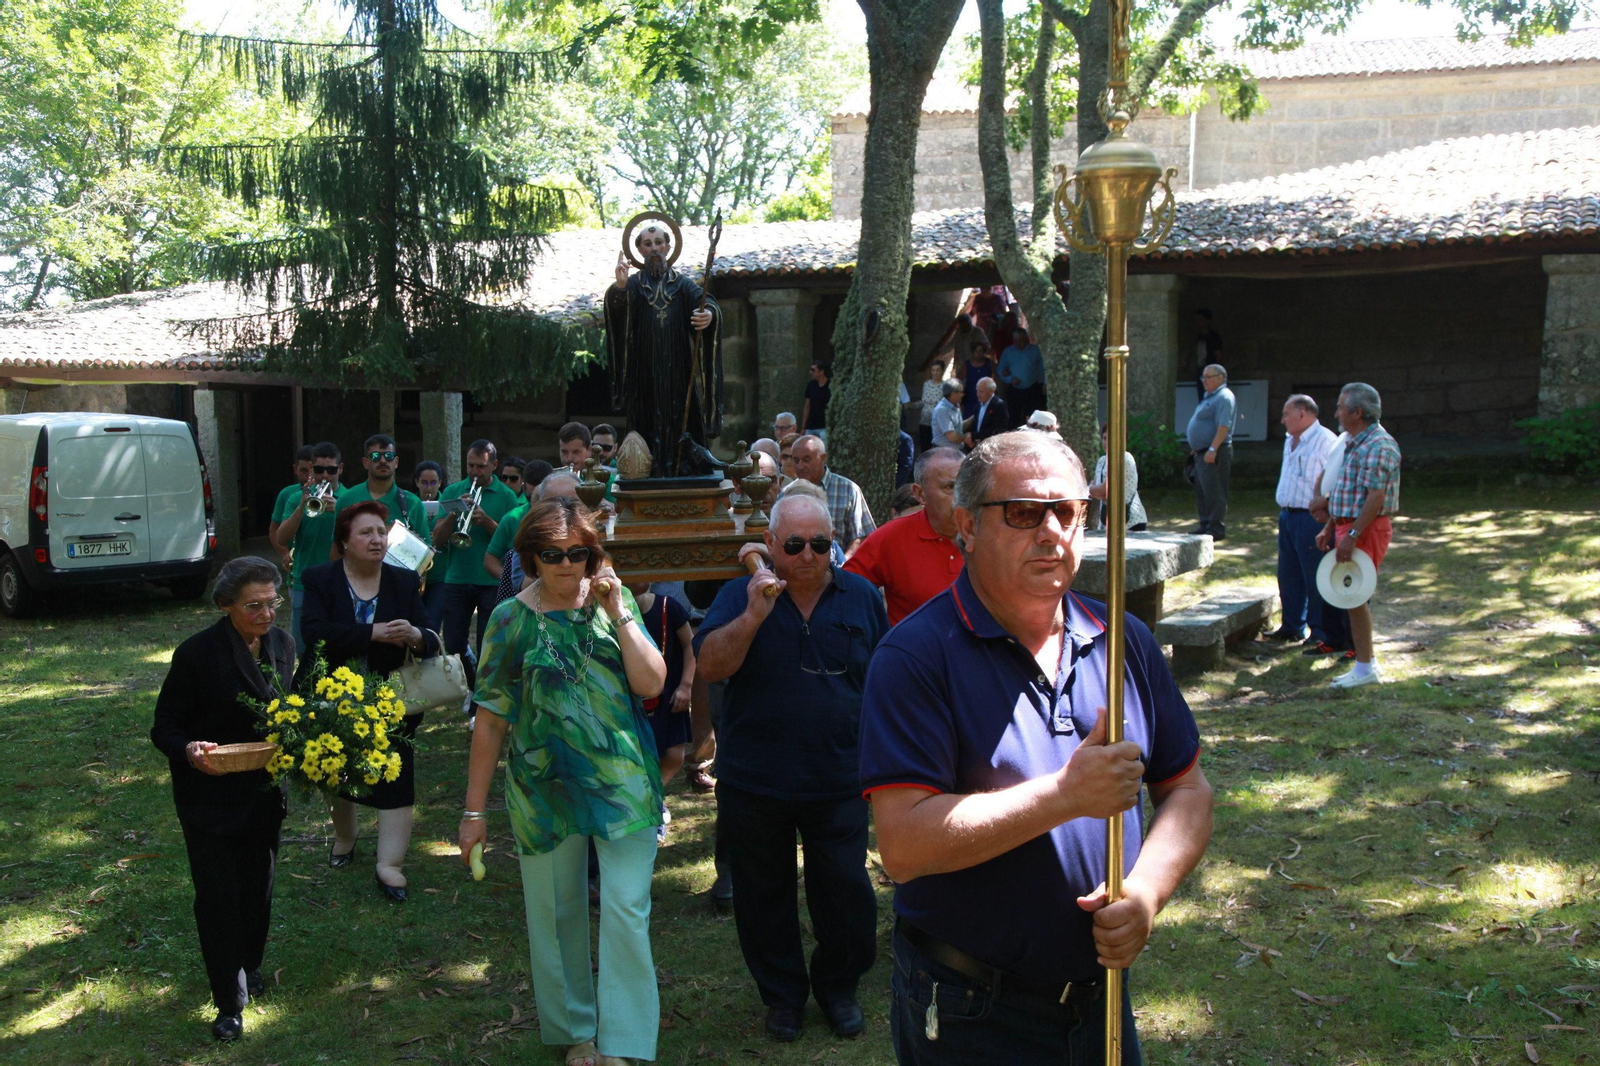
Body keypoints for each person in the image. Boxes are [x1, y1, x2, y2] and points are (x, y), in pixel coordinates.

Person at [859, 431, 1213, 1065]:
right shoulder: (916, 657)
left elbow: (1186, 788)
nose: (1052, 531)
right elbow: (904, 846)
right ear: (965, 525)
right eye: (1024, 512)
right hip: (973, 1009)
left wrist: (1147, 892)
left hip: (1100, 997)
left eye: (1069, 511)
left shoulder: (1120, 640)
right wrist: (1065, 796)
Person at [461, 498, 667, 1066]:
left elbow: (651, 684)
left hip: (622, 783)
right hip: (542, 786)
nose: (566, 565)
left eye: (578, 553)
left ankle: (624, 1042)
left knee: (626, 906)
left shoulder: (613, 602)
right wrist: (473, 812)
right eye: (552, 555)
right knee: (556, 913)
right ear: (529, 557)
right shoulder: (508, 620)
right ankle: (577, 1032)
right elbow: (491, 718)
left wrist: (618, 610)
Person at [694, 494, 888, 1043]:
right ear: (773, 545)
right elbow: (710, 665)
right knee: (762, 896)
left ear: (835, 545)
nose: (809, 556)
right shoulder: (739, 594)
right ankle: (782, 998)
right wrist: (755, 615)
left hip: (840, 777)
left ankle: (839, 988)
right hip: (756, 779)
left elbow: (883, 680)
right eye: (796, 545)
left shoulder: (861, 599)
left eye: (821, 545)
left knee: (846, 892)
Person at [150, 557, 295, 1042]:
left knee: (259, 889)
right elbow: (164, 726)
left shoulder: (282, 644)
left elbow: (288, 710)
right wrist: (189, 749)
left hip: (262, 791)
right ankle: (227, 1003)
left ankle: (248, 965)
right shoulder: (196, 654)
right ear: (224, 605)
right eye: (254, 605)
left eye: (273, 602)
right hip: (208, 798)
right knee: (217, 899)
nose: (267, 614)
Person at [298, 501, 440, 901]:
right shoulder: (319, 579)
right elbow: (314, 634)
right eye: (366, 532)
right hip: (329, 694)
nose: (377, 539)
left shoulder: (403, 580)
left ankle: (389, 865)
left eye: (381, 531)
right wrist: (370, 633)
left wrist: (415, 634)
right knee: (334, 770)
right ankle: (346, 835)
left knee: (396, 773)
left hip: (392, 696)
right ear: (344, 541)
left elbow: (429, 635)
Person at [606, 223, 722, 476]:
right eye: (648, 244)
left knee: (682, 418)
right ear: (639, 250)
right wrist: (620, 289)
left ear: (668, 247)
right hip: (644, 370)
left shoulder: (682, 284)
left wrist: (710, 315)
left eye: (659, 242)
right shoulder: (634, 285)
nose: (654, 248)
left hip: (678, 369)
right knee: (645, 421)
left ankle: (684, 466)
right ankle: (649, 468)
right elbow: (617, 315)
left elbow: (705, 301)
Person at [1317, 382, 1402, 688]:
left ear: (1357, 412)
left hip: (1365, 528)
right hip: (1348, 526)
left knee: (1357, 596)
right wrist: (1331, 527)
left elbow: (1375, 498)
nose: (1337, 413)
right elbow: (1345, 490)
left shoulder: (1379, 445)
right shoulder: (1354, 442)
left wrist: (1352, 534)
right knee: (1351, 596)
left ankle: (1365, 667)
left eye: (1341, 407)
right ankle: (1364, 665)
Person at [433, 439, 521, 695]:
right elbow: (438, 540)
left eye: (481, 466)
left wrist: (487, 522)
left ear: (493, 465)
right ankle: (474, 688)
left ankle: (478, 702)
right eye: (470, 465)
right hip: (457, 578)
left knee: (487, 644)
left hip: (492, 581)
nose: (474, 471)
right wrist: (453, 514)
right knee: (454, 642)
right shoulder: (453, 491)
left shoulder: (507, 496)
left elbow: (512, 542)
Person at [844, 446, 964, 625]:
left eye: (966, 485)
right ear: (920, 494)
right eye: (950, 487)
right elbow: (845, 593)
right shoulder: (890, 538)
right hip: (916, 650)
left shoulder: (991, 533)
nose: (962, 496)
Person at [1265, 395, 1339, 644]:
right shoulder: (1290, 439)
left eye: (1287, 414)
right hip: (1288, 515)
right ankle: (1291, 625)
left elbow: (1336, 480)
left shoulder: (1326, 441)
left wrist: (1327, 511)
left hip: (1312, 517)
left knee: (1315, 574)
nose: (1283, 420)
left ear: (1304, 413)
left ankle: (1319, 630)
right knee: (1288, 573)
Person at [628, 581, 696, 840]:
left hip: (670, 694)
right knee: (642, 757)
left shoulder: (669, 606)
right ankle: (649, 809)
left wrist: (686, 685)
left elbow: (691, 645)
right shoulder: (611, 610)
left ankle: (652, 798)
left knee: (674, 755)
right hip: (634, 697)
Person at [272, 441, 343, 656]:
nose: (325, 476)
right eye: (319, 469)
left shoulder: (351, 498)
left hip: (341, 581)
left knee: (337, 648)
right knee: (302, 650)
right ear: (311, 469)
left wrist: (338, 511)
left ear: (340, 469)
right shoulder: (296, 498)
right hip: (304, 582)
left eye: (331, 470)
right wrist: (302, 507)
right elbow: (281, 538)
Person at [1303, 432, 1355, 661]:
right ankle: (1333, 638)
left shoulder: (1371, 441)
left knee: (1352, 582)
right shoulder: (1343, 437)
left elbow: (1354, 485)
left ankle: (1355, 643)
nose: (1336, 412)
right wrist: (1318, 499)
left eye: (1341, 407)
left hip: (1352, 519)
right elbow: (1327, 473)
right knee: (1330, 579)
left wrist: (1325, 500)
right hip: (1335, 517)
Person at [789, 434, 875, 558]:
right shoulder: (787, 493)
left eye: (806, 460)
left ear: (822, 458)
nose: (800, 466)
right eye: (796, 461)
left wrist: (843, 565)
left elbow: (862, 536)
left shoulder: (848, 490)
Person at [335, 433, 429, 544]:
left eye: (389, 456)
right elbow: (337, 550)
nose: (383, 461)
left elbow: (426, 555)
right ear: (365, 463)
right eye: (375, 456)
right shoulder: (346, 500)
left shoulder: (413, 503)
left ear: (396, 462)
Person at [1186, 364, 1236, 540]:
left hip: (1215, 451)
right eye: (1203, 377)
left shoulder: (1224, 397)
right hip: (1202, 452)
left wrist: (1213, 449)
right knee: (1202, 489)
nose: (1204, 380)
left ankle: (1216, 528)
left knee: (1214, 490)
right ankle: (1205, 524)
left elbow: (1223, 426)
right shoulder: (1210, 397)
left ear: (1220, 378)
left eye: (1208, 377)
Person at [1089, 423, 1148, 533]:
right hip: (1107, 518)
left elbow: (1105, 489)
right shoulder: (1102, 460)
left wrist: (1092, 490)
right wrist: (1095, 490)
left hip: (1130, 520)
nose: (1106, 442)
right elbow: (1096, 485)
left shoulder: (1124, 458)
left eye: (1110, 438)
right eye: (1104, 438)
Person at [412, 460, 447, 633]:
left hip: (439, 575)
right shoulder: (410, 504)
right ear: (416, 482)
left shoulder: (446, 505)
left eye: (433, 482)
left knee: (432, 623)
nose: (429, 488)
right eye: (424, 483)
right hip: (414, 575)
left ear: (440, 482)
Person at [268, 445, 316, 570]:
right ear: (295, 469)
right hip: (297, 561)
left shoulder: (327, 492)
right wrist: (285, 553)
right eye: (304, 471)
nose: (308, 476)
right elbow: (274, 530)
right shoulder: (286, 494)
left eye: (312, 470)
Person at [998, 327, 1046, 418]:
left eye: (1020, 340)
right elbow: (1000, 369)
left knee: (1032, 416)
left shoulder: (1035, 350)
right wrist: (1010, 379)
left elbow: (1043, 368)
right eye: (1015, 340)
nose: (1018, 343)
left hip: (1032, 388)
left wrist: (1044, 383)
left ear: (1026, 339)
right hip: (1015, 390)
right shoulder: (1008, 352)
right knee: (1013, 416)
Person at [959, 339, 996, 421]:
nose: (978, 354)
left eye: (980, 351)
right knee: (968, 420)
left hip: (985, 397)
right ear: (973, 352)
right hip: (970, 397)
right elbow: (959, 379)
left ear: (984, 352)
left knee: (984, 420)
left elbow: (997, 374)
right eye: (976, 351)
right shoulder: (967, 364)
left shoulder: (989, 363)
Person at [1193, 309, 1223, 400]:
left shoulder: (1214, 337)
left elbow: (1218, 355)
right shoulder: (1199, 337)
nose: (1198, 323)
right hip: (1201, 371)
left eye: (1201, 320)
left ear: (1207, 320)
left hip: (1211, 373)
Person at [918, 360, 947, 452]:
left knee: (935, 450)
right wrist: (908, 405)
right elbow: (923, 402)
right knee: (924, 448)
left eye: (938, 370)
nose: (935, 373)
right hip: (924, 422)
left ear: (942, 371)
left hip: (937, 423)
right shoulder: (926, 384)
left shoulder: (945, 386)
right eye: (933, 370)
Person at [971, 377, 1010, 444]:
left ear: (991, 391)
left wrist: (974, 435)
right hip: (978, 444)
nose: (978, 394)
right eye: (977, 390)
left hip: (992, 444)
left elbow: (998, 429)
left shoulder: (999, 405)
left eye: (981, 391)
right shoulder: (979, 404)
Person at [931, 380, 966, 451]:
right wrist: (966, 437)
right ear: (953, 394)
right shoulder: (942, 410)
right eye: (961, 392)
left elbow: (958, 426)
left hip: (955, 451)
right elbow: (952, 436)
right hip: (943, 453)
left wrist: (975, 417)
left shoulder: (956, 405)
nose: (963, 395)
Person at [801, 362, 831, 442]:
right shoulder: (811, 385)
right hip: (811, 426)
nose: (811, 372)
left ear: (821, 372)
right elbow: (807, 406)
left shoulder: (831, 386)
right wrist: (804, 426)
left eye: (813, 370)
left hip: (824, 426)